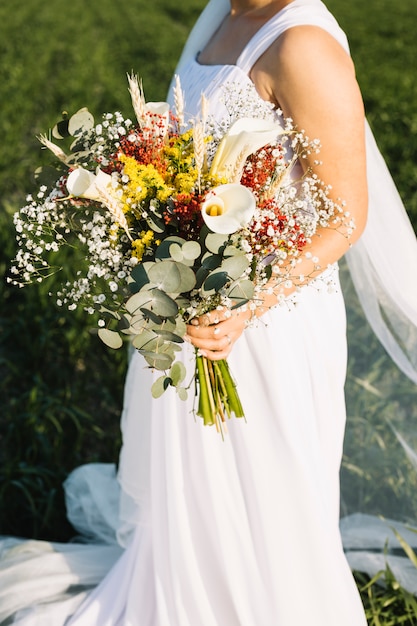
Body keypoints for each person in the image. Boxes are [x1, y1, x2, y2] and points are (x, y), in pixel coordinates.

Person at [2, 0, 417, 624]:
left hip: (271, 316)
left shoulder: (303, 45)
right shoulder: (219, 12)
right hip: (192, 297)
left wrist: (243, 305)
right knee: (194, 491)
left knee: (267, 493)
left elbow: (345, 216)